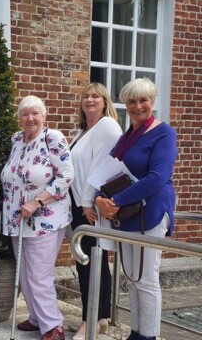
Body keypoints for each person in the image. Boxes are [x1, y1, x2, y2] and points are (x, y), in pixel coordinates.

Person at [95, 78, 177, 340]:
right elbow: (108, 172)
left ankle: (149, 335)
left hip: (150, 212)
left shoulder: (164, 133)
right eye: (132, 101)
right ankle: (136, 332)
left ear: (153, 101)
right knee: (132, 278)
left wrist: (116, 201)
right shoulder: (126, 137)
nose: (138, 106)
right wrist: (99, 198)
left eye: (144, 100)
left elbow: (157, 178)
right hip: (128, 215)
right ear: (125, 104)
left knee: (148, 279)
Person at [1, 95, 74, 340]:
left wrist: (37, 201)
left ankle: (54, 326)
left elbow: (66, 176)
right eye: (25, 114)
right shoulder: (16, 140)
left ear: (44, 116)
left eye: (35, 113)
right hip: (17, 218)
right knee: (24, 272)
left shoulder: (53, 138)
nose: (30, 118)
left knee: (39, 274)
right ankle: (36, 317)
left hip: (45, 218)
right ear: (19, 118)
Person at [69, 83, 122, 339]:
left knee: (93, 263)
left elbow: (104, 167)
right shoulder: (82, 131)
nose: (89, 100)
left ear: (105, 101)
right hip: (79, 204)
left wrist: (88, 202)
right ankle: (97, 317)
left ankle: (90, 321)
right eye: (86, 96)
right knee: (86, 263)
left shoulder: (107, 126)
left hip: (91, 207)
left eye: (95, 96)